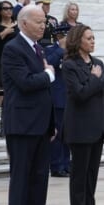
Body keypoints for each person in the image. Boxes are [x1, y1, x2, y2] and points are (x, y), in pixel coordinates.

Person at [2, 4, 57, 205]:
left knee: (38, 179)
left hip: (41, 125)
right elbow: (25, 83)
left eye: (44, 21)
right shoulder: (13, 48)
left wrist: (52, 123)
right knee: (22, 179)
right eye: (39, 22)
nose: (43, 26)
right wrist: (48, 75)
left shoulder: (38, 49)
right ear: (23, 23)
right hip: (22, 125)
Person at [62, 25, 104, 205]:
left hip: (97, 127)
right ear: (78, 41)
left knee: (92, 176)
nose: (93, 41)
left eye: (94, 38)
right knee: (79, 177)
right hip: (80, 128)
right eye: (89, 38)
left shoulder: (98, 63)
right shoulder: (69, 65)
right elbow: (80, 94)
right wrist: (93, 78)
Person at [45, 24, 71, 178]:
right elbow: (49, 63)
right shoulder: (50, 49)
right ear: (59, 36)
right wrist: (61, 49)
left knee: (68, 134)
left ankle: (66, 164)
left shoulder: (74, 51)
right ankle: (56, 165)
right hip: (57, 97)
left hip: (71, 97)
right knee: (58, 134)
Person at [0, 1, 18, 90]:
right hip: (1, 58)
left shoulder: (18, 24)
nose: (9, 11)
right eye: (5, 9)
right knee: (2, 86)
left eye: (11, 8)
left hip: (16, 58)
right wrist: (4, 33)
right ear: (0, 11)